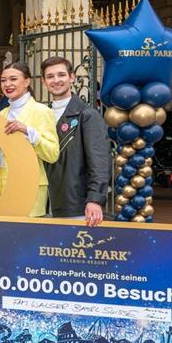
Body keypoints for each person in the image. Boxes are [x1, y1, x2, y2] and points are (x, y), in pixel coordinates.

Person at [0, 62, 60, 217]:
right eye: (3, 80)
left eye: (13, 79)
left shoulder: (42, 112)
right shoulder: (3, 113)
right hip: (1, 184)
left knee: (26, 238)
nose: (7, 84)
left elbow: (52, 154)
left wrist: (28, 131)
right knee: (3, 236)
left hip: (29, 184)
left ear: (27, 82)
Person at [40, 57, 110, 225]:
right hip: (44, 203)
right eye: (50, 76)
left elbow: (99, 161)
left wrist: (95, 199)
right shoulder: (42, 114)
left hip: (75, 205)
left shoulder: (87, 115)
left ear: (71, 77)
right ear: (43, 81)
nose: (56, 80)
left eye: (61, 75)